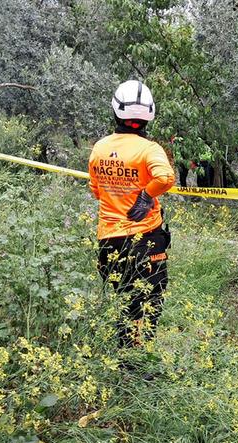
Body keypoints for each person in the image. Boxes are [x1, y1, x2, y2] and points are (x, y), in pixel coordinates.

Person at [89, 80, 175, 348]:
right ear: (149, 114)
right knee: (148, 300)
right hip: (145, 239)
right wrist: (146, 195)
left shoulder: (99, 148)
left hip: (108, 239)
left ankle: (124, 353)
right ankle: (135, 362)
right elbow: (165, 177)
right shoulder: (149, 149)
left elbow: (96, 190)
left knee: (124, 298)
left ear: (116, 110)